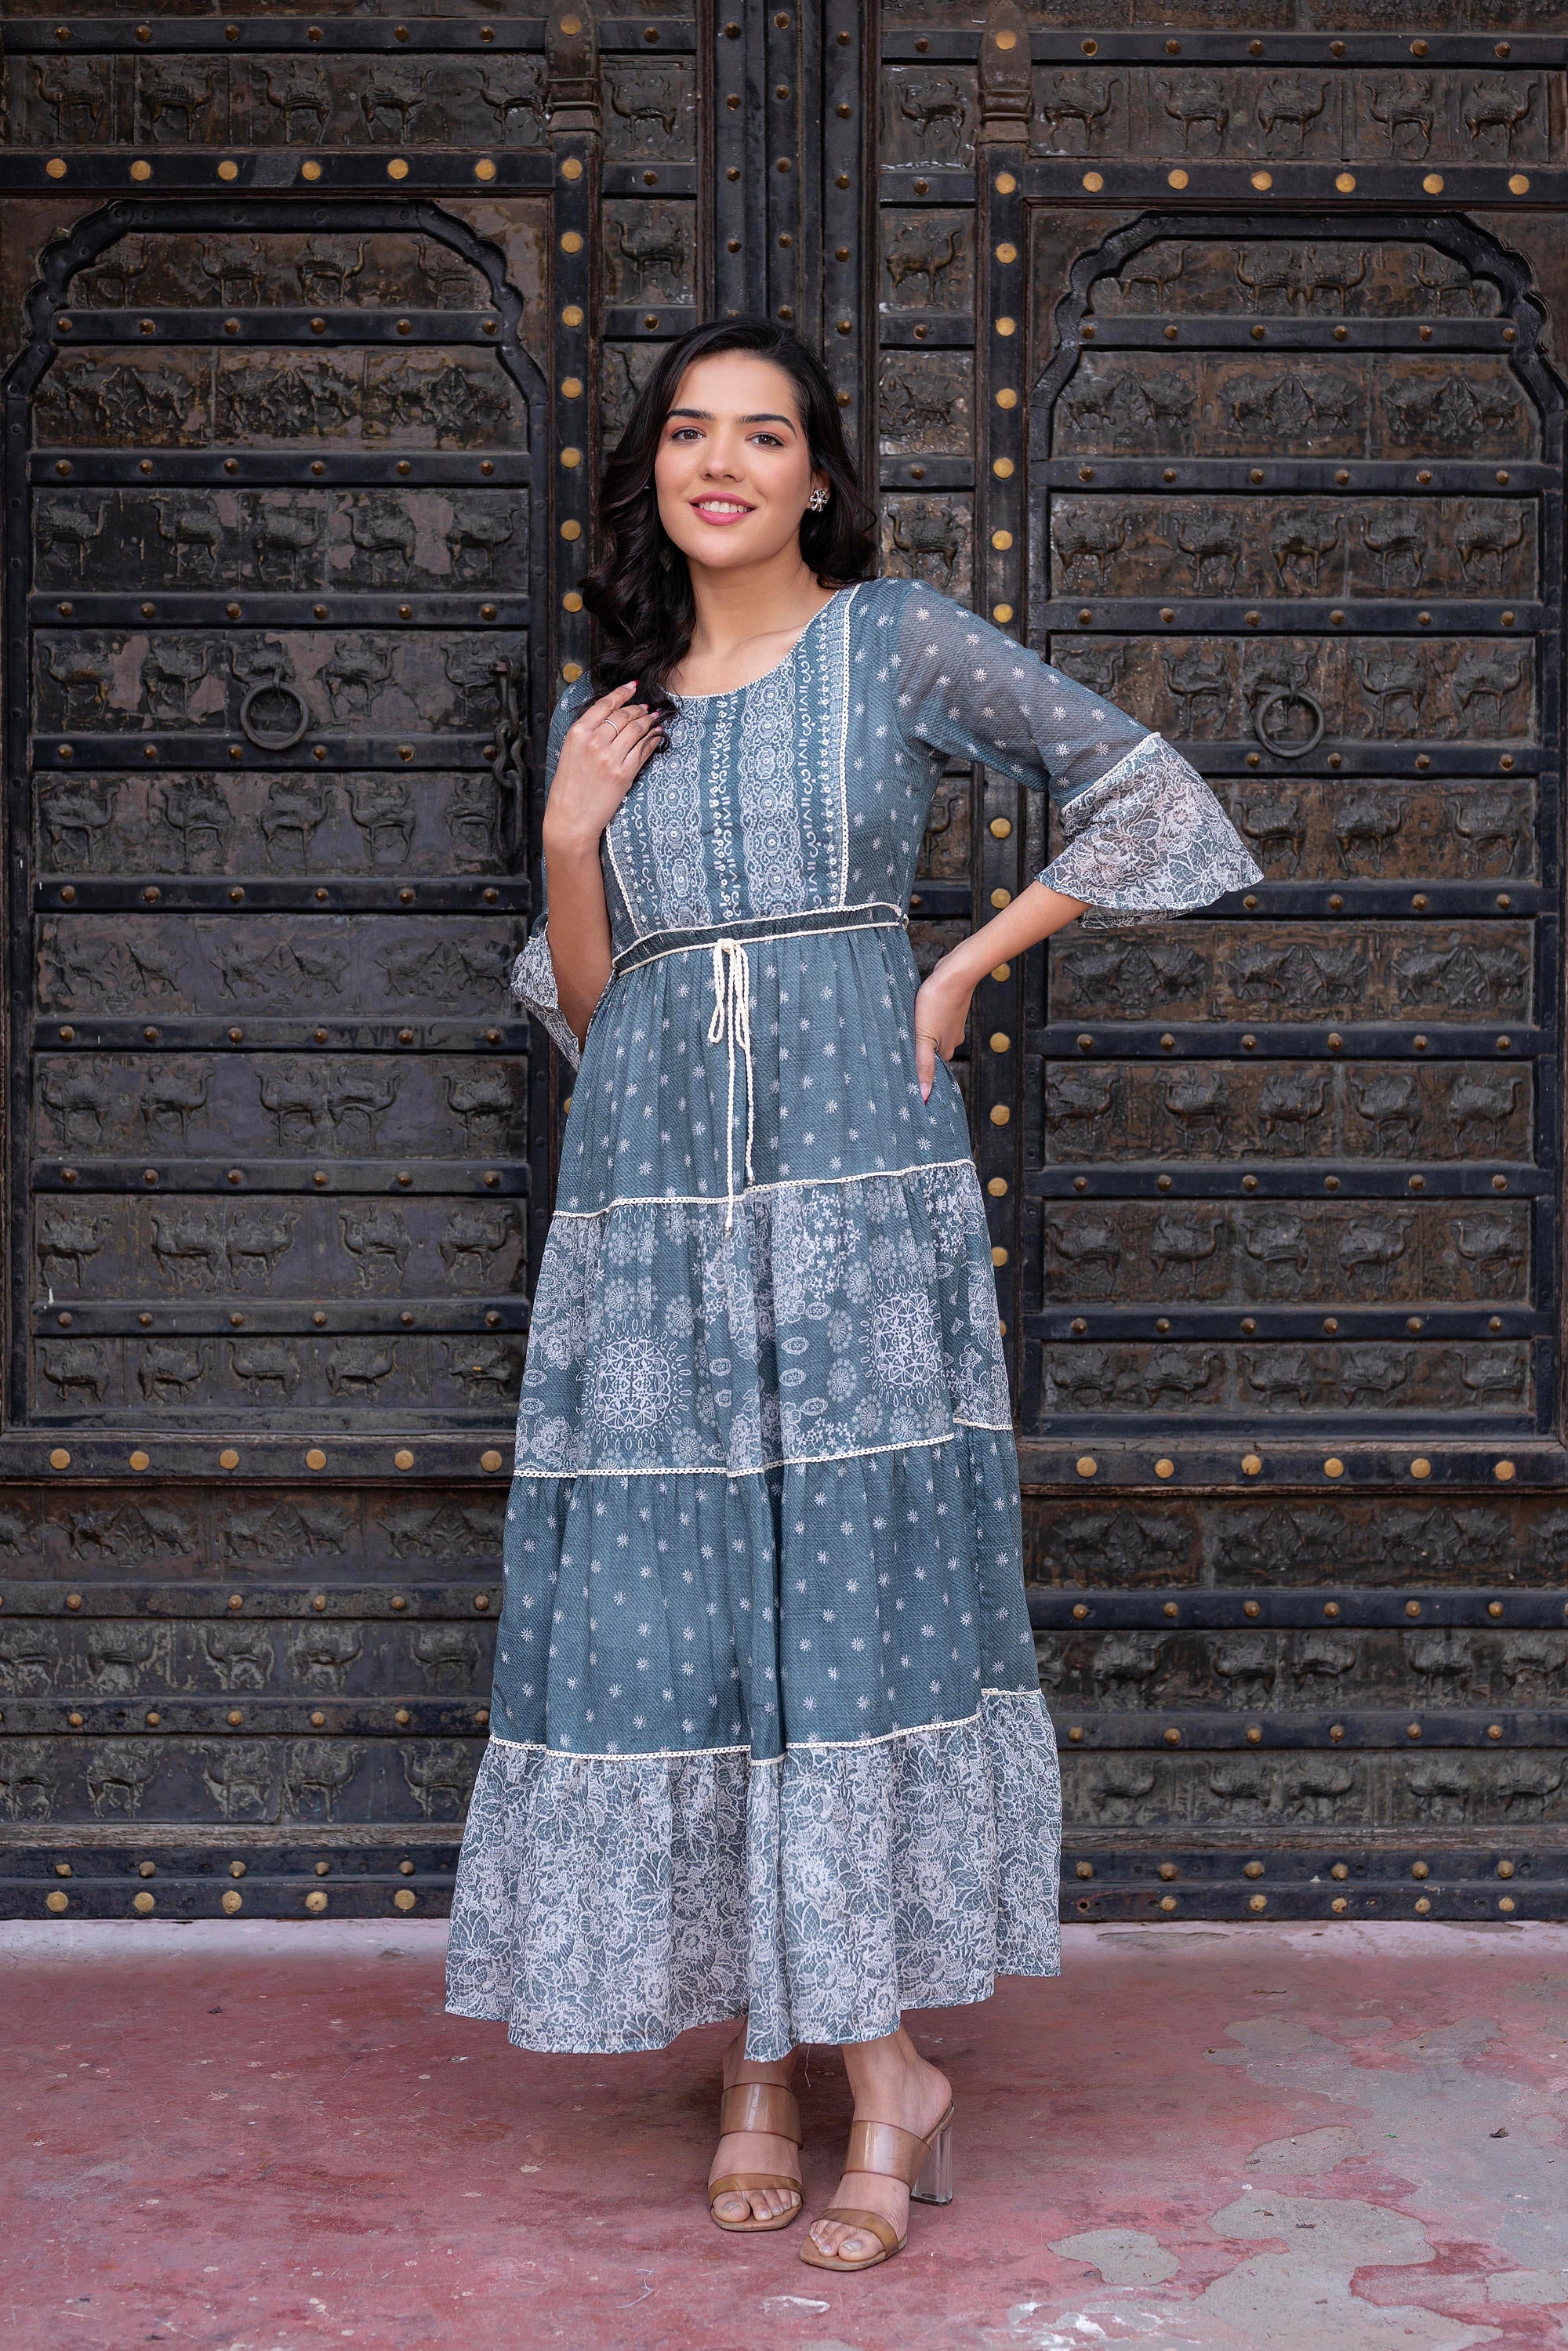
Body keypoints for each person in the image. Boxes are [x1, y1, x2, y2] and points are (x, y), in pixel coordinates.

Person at [445, 317, 1261, 2271]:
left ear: (819, 474)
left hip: (852, 1209)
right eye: (688, 435)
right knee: (687, 1619)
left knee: (848, 1604)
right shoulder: (607, 704)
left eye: (765, 436)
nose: (719, 464)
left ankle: (877, 2070)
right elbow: (581, 999)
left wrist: (968, 958)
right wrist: (568, 834)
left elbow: (1150, 795)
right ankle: (758, 2059)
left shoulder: (890, 640)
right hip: (650, 1219)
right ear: (651, 467)